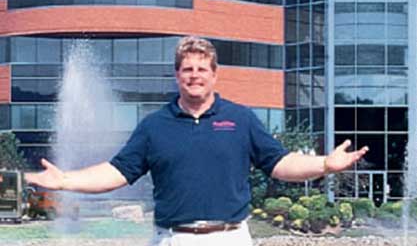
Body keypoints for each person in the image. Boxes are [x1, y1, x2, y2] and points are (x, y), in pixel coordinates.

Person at [25, 36, 368, 246]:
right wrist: (66, 180)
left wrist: (323, 164)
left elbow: (280, 164)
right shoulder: (154, 126)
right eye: (187, 69)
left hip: (230, 237)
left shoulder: (241, 119)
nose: (195, 76)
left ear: (215, 75)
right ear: (177, 75)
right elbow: (117, 172)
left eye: (202, 69)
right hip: (172, 239)